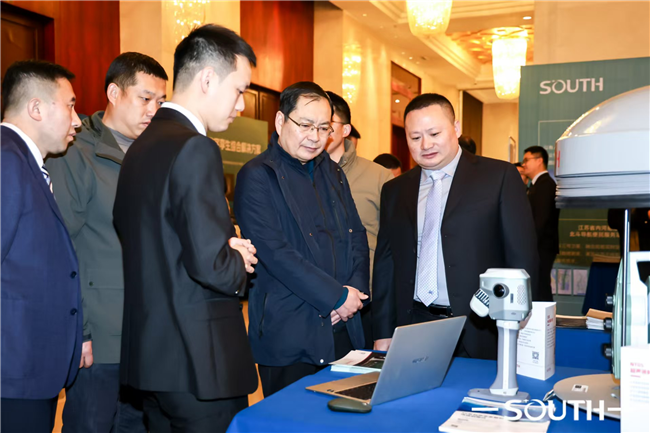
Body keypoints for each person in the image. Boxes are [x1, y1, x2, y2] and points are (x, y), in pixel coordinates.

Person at [112, 25, 259, 432]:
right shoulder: (195, 147)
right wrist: (239, 256)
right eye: (239, 90)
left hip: (153, 359)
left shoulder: (140, 147)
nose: (241, 105)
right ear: (208, 79)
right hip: (199, 362)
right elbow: (213, 266)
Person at [47, 52, 168, 433]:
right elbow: (61, 248)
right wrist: (80, 331)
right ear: (114, 93)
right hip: (99, 337)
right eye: (145, 98)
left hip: (146, 335)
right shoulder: (75, 152)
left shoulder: (155, 155)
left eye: (160, 101)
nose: (153, 111)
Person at [372, 93, 538, 360]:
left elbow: (521, 254)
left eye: (434, 133)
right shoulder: (395, 190)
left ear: (456, 128)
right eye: (415, 137)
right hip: (414, 323)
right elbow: (386, 264)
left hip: (481, 326)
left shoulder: (498, 177)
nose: (426, 144)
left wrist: (520, 313)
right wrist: (383, 330)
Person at [235, 82, 370, 397]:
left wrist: (354, 293)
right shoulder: (257, 175)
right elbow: (276, 253)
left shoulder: (333, 173)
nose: (315, 136)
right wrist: (336, 297)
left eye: (323, 128)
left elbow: (357, 236)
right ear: (281, 121)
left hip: (344, 326)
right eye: (306, 125)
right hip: (290, 331)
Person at [1, 60, 83, 432]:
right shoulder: (6, 160)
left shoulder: (24, 162)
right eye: (70, 105)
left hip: (28, 370)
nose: (77, 120)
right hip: (12, 372)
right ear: (36, 108)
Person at [325, 91, 392, 348]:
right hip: (317, 301)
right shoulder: (298, 176)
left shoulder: (379, 178)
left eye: (327, 124)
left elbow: (392, 247)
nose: (319, 131)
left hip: (366, 303)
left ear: (345, 130)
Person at [521, 146, 558, 302]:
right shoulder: (537, 185)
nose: (523, 164)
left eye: (526, 160)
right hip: (538, 246)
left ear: (539, 161)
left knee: (541, 287)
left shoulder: (545, 185)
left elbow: (540, 221)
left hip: (541, 246)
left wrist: (528, 246)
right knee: (537, 286)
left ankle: (545, 316)